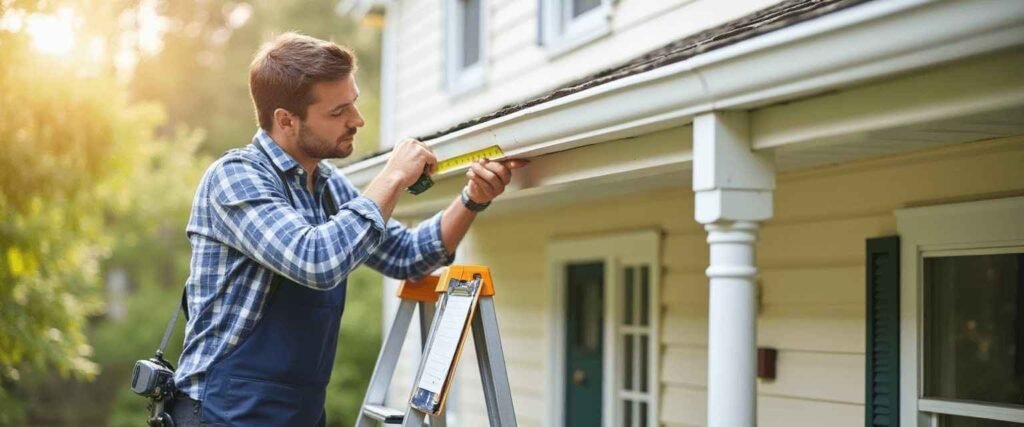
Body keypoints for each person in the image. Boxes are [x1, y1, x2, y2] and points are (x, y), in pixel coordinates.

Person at [169, 32, 526, 426]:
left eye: (353, 104)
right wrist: (391, 177)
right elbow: (315, 259)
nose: (357, 120)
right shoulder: (235, 177)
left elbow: (407, 255)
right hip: (220, 413)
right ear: (286, 120)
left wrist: (472, 199)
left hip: (296, 414)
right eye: (339, 112)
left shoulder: (326, 185)